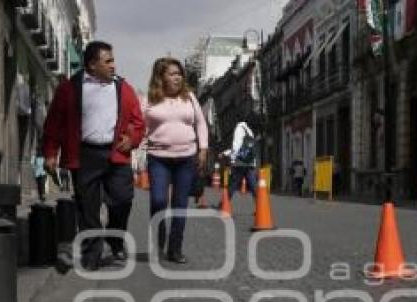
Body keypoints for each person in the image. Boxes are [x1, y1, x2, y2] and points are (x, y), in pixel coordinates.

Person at [43, 40, 144, 272]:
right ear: (91, 64)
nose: (113, 65)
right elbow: (53, 125)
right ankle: (92, 254)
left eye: (113, 60)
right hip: (84, 154)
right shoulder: (69, 89)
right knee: (88, 208)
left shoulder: (123, 89)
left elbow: (138, 122)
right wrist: (50, 154)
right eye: (107, 61)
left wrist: (132, 139)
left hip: (115, 153)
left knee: (122, 199)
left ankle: (114, 238)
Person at [142, 57, 208, 263]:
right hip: (158, 158)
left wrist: (203, 148)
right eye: (172, 74)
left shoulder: (189, 98)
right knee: (159, 200)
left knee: (180, 205)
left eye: (179, 74)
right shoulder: (148, 100)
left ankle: (175, 249)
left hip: (186, 158)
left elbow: (201, 123)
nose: (178, 77)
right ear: (161, 77)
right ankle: (159, 237)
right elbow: (138, 126)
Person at [221, 120, 258, 204]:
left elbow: (236, 146)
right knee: (253, 185)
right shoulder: (249, 131)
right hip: (250, 162)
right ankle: (260, 206)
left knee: (233, 183)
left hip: (240, 162)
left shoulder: (239, 129)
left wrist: (232, 159)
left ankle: (224, 203)